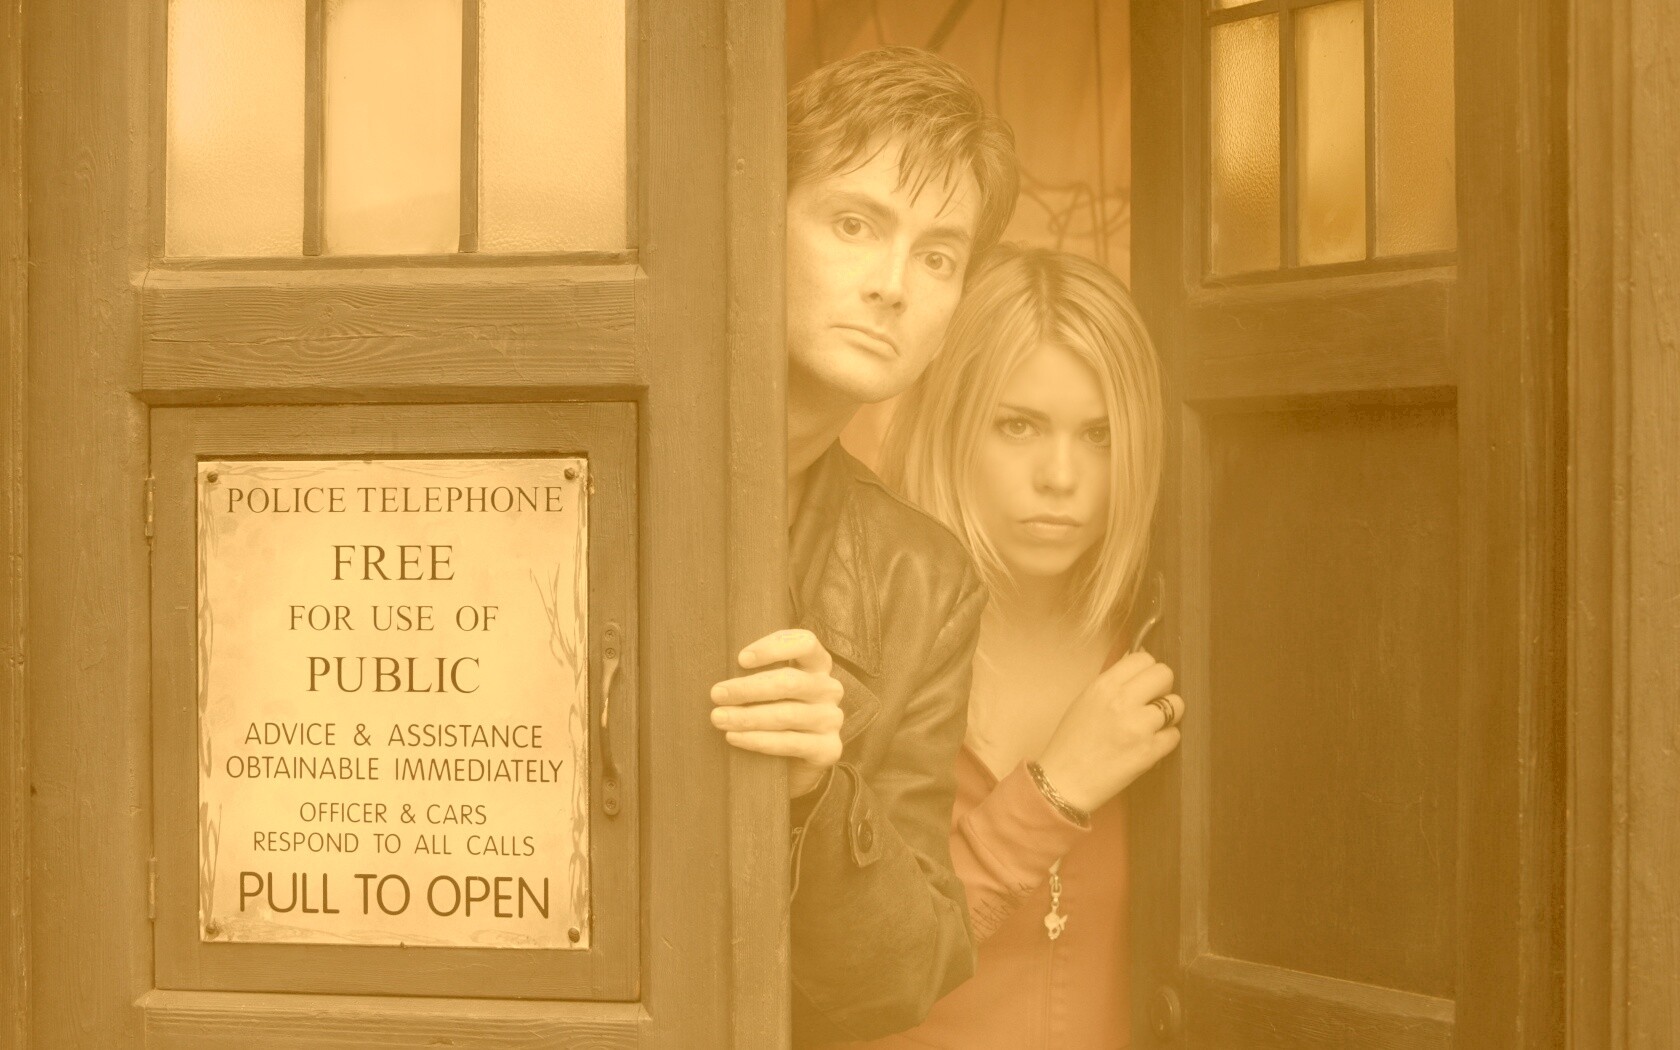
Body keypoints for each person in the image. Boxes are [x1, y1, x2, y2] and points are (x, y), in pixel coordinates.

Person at [704, 47, 1019, 1044]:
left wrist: (816, 791)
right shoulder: (594, 464)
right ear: (755, 221)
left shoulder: (924, 576)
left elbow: (899, 982)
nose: (892, 286)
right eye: (854, 225)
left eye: (938, 257)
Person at [859, 245, 1185, 1049]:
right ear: (949, 426)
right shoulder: (859, 647)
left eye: (1100, 435)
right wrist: (1053, 794)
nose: (1061, 476)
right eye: (1018, 426)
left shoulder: (1172, 647)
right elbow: (855, 968)